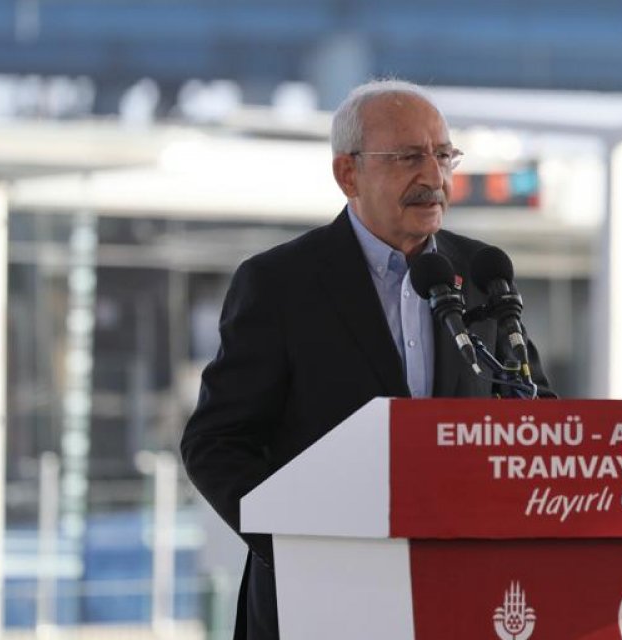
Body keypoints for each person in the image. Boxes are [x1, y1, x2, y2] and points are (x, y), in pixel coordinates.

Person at [180, 79, 555, 639]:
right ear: (347, 174)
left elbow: (535, 415)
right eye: (408, 158)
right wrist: (296, 544)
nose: (434, 177)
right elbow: (215, 443)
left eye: (443, 155)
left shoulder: (483, 273)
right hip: (319, 602)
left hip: (465, 596)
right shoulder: (280, 284)